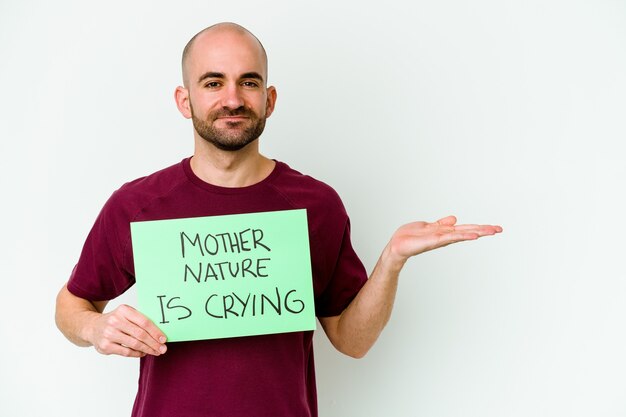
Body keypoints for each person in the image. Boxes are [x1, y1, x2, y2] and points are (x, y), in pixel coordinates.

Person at [55, 22, 502, 417]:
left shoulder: (316, 204)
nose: (233, 98)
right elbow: (71, 305)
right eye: (213, 82)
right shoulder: (137, 205)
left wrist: (392, 261)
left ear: (269, 99)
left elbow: (352, 340)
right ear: (184, 100)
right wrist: (96, 327)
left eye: (248, 82)